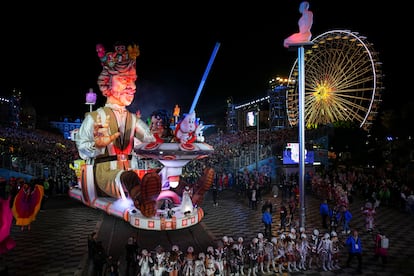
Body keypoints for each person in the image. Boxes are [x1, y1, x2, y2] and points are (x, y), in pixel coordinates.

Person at [75, 41, 160, 217]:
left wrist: (160, 138)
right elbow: (82, 148)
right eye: (124, 80)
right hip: (106, 175)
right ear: (107, 83)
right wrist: (98, 146)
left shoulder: (133, 119)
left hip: (131, 171)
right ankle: (143, 200)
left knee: (154, 175)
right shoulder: (95, 117)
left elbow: (150, 142)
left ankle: (187, 192)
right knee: (128, 178)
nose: (132, 87)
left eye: (133, 81)